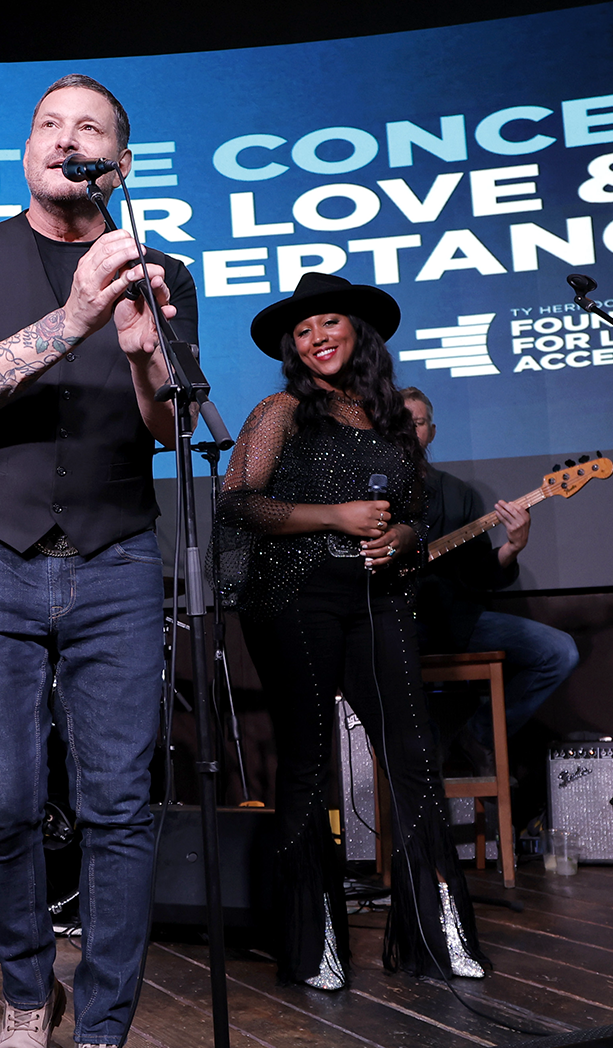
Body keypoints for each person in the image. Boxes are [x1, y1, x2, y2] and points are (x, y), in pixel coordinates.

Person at [0, 74, 194, 1048]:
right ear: (27, 148)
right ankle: (27, 999)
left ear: (120, 161)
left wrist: (145, 357)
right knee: (1, 800)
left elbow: (169, 426)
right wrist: (76, 317)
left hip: (117, 556)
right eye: (47, 124)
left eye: (88, 128)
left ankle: (107, 1023)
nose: (64, 139)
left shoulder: (158, 266)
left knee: (120, 804)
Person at [215, 272, 488, 989]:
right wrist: (334, 516)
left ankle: (440, 933)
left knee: (414, 757)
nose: (316, 339)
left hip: (380, 599)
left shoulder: (391, 418)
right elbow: (238, 503)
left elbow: (416, 511)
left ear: (358, 333)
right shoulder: (281, 410)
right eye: (302, 332)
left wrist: (402, 536)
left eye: (328, 324)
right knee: (310, 765)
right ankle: (317, 945)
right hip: (295, 596)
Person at [401, 387, 579, 775]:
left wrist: (513, 546)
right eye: (399, 423)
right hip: (393, 623)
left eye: (417, 423)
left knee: (559, 652)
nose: (408, 431)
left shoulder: (456, 493)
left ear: (431, 431)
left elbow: (478, 573)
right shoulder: (364, 491)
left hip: (456, 621)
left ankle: (479, 735)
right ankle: (423, 759)